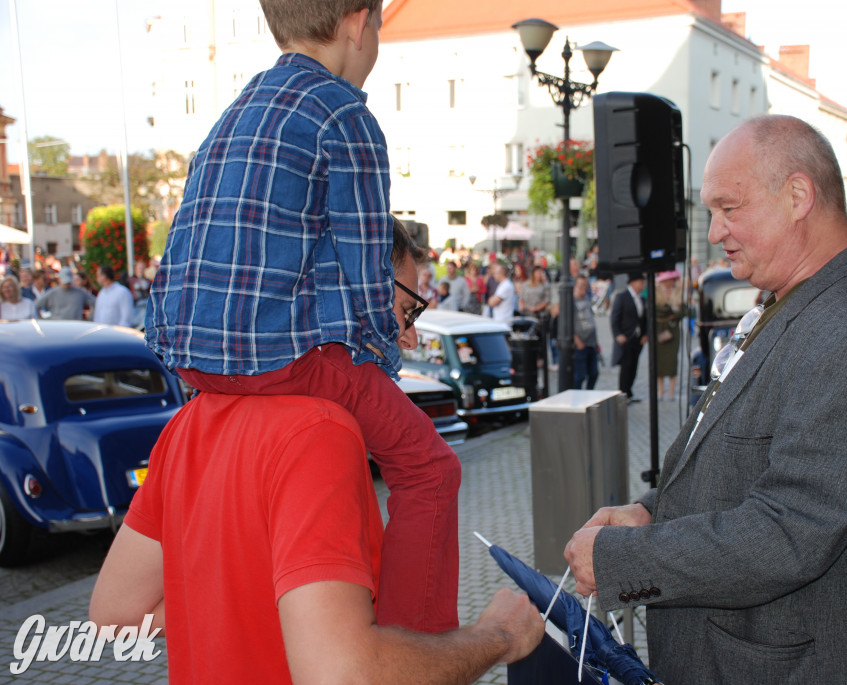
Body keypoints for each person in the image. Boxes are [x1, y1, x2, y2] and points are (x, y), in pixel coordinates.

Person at [564, 115, 847, 683]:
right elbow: (736, 463)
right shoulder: (795, 299)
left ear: (797, 196)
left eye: (729, 208)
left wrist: (624, 560)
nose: (714, 232)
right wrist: (650, 513)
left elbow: (791, 530)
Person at [90, 225, 545, 682]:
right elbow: (343, 674)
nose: (408, 339)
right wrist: (498, 637)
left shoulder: (188, 423)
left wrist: (269, 611)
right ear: (351, 293)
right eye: (408, 309)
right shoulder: (320, 433)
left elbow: (116, 614)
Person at [144, 0, 461, 633]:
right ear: (358, 24)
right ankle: (413, 646)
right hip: (284, 360)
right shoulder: (345, 113)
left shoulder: (232, 114)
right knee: (431, 470)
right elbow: (365, 262)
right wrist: (382, 362)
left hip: (194, 359)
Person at [610, 272, 647, 401]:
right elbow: (615, 318)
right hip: (625, 338)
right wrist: (618, 334)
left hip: (637, 339)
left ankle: (629, 392)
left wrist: (645, 334)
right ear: (633, 283)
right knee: (626, 367)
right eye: (641, 282)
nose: (643, 285)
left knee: (634, 366)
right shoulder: (622, 297)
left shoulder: (642, 299)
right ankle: (623, 393)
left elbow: (644, 319)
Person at [653, 270, 684, 401]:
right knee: (658, 363)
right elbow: (656, 310)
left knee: (672, 362)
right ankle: (660, 391)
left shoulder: (678, 291)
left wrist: (673, 314)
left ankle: (671, 392)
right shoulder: (656, 291)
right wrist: (671, 311)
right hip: (659, 329)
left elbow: (684, 310)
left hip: (672, 330)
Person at [571, 274, 599, 389]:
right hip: (580, 344)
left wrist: (596, 341)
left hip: (591, 342)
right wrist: (577, 340)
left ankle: (589, 394)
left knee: (594, 373)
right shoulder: (571, 302)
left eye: (585, 286)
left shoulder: (586, 299)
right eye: (581, 286)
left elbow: (591, 319)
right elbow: (567, 324)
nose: (584, 288)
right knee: (579, 375)